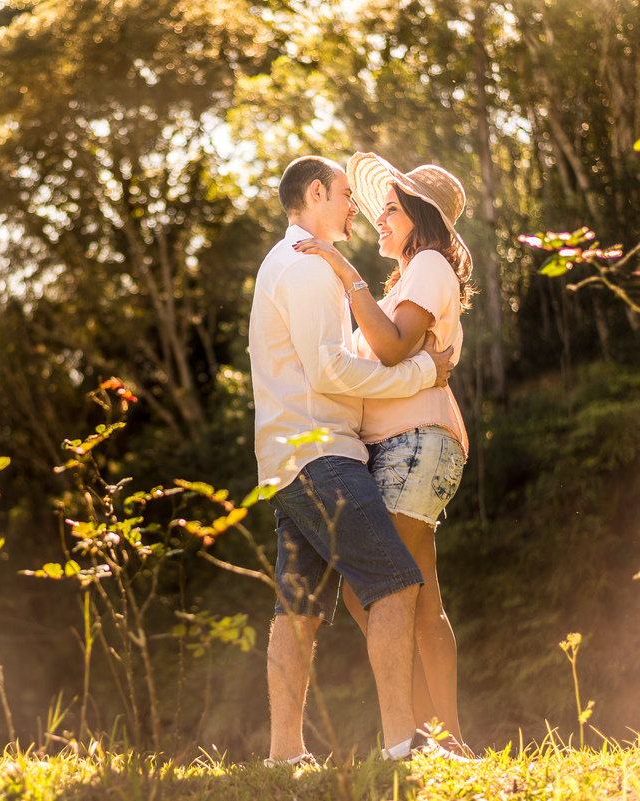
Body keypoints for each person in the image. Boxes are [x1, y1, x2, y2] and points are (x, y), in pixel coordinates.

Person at [248, 154, 456, 766]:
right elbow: (330, 371)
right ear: (317, 193)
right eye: (345, 195)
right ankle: (403, 745)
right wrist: (421, 373)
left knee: (299, 608)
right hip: (323, 455)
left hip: (287, 460)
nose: (355, 210)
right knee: (395, 584)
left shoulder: (287, 263)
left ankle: (286, 755)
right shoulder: (308, 267)